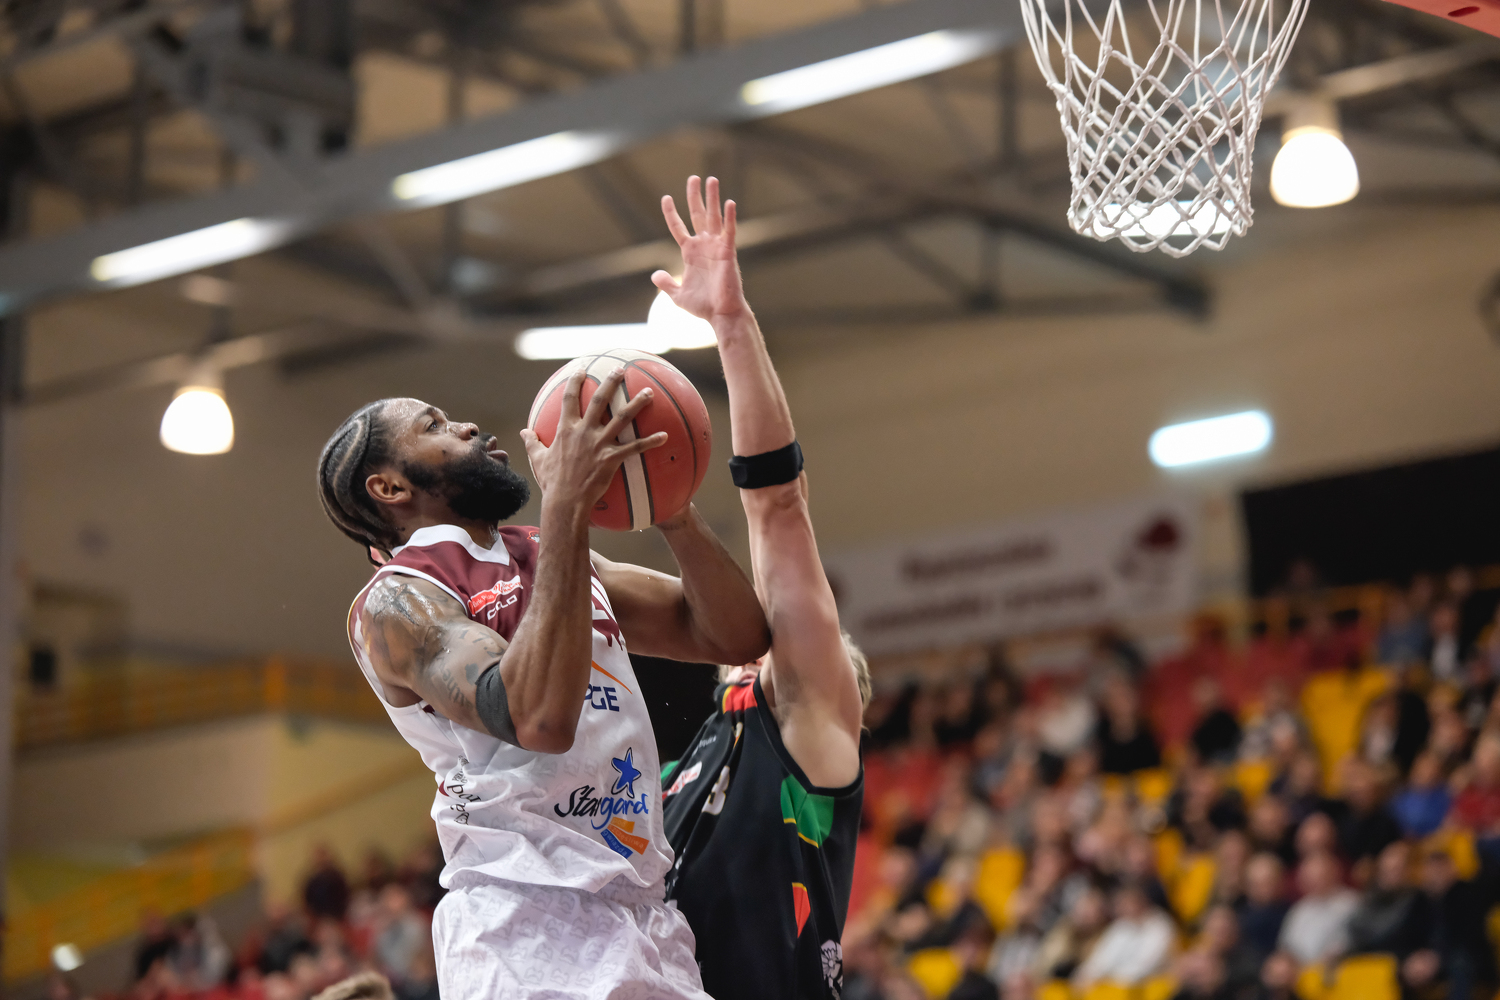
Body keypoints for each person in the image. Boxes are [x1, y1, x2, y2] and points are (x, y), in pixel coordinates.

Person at [319, 322, 770, 998]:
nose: (468, 427)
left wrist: (671, 506)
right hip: (520, 920)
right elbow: (535, 717)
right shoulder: (399, 602)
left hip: (642, 909)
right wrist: (566, 506)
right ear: (389, 488)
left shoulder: (543, 551)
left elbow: (732, 636)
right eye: (434, 426)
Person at [651, 176, 869, 1000]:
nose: (778, 636)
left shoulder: (806, 726)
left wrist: (732, 325)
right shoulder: (679, 774)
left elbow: (778, 510)